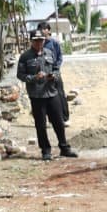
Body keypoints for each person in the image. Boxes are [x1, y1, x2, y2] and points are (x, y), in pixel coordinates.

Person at [17, 31, 76, 161]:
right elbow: (20, 75)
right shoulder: (25, 57)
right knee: (41, 125)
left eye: (41, 40)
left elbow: (56, 69)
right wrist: (34, 78)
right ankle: (46, 150)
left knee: (58, 122)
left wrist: (54, 76)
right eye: (36, 40)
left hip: (51, 92)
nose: (39, 43)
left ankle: (64, 147)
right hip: (37, 95)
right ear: (31, 41)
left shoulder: (49, 53)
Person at [38, 22, 69, 122]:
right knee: (47, 96)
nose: (42, 31)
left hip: (55, 72)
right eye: (40, 29)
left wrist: (56, 69)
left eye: (44, 29)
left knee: (60, 94)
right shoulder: (38, 44)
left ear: (48, 30)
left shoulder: (54, 43)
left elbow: (59, 57)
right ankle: (52, 119)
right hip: (44, 74)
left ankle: (65, 117)